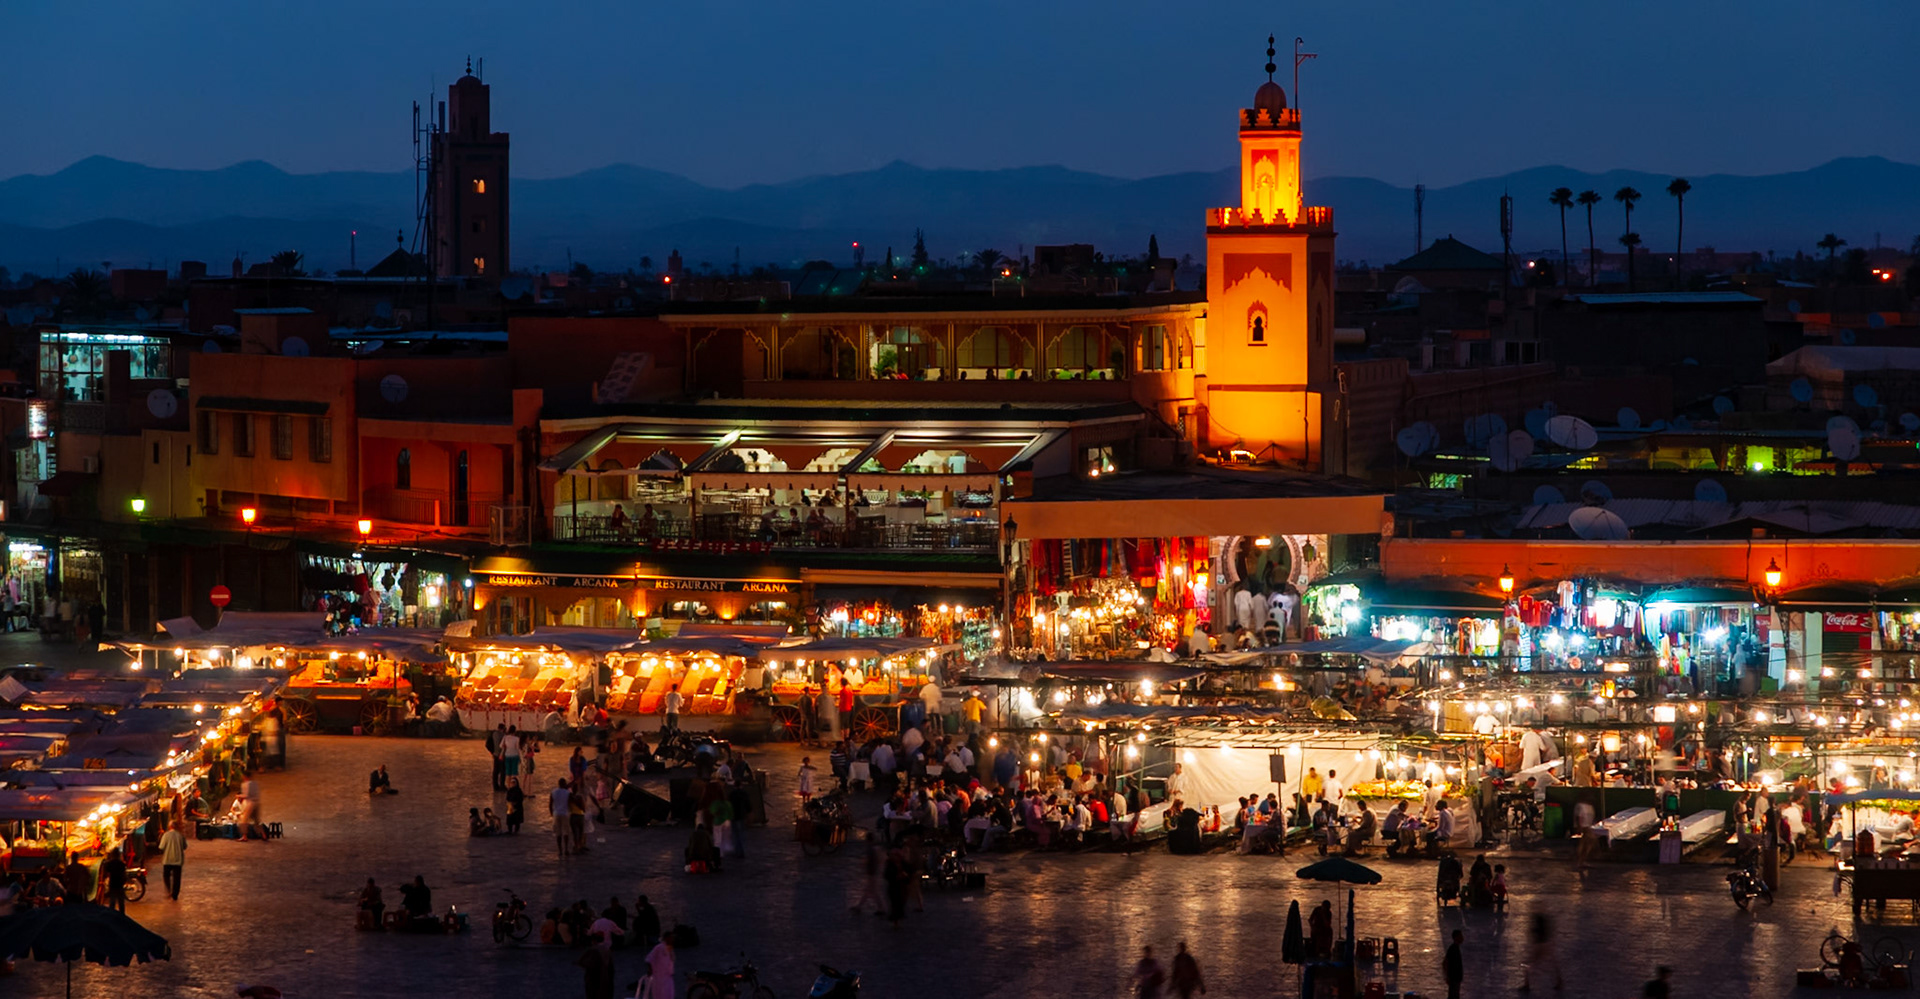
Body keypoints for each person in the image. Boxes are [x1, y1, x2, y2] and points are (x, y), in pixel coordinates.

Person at [640, 930, 676, 999]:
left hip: (667, 977)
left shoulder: (670, 950)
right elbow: (649, 958)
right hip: (658, 978)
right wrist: (650, 969)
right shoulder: (659, 948)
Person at [159, 819, 188, 900]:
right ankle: (175, 895)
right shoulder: (180, 835)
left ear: (170, 827)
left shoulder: (166, 835)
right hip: (178, 860)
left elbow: (161, 847)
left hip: (167, 859)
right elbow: (185, 846)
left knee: (166, 876)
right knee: (177, 878)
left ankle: (169, 890)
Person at [100, 848, 128, 912]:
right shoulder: (121, 864)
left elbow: (106, 871)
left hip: (113, 883)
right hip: (120, 884)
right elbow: (124, 874)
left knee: (112, 901)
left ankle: (112, 915)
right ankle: (122, 916)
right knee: (121, 902)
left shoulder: (110, 863)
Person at [552, 778, 574, 857]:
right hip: (565, 813)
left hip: (556, 813)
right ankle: (566, 849)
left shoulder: (554, 792)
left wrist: (552, 813)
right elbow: (571, 801)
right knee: (566, 832)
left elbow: (550, 803)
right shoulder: (567, 793)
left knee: (558, 833)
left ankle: (560, 850)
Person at [1444, 929, 1465, 999]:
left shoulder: (1456, 948)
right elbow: (1445, 962)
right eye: (1461, 936)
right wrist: (1447, 976)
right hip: (1454, 978)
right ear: (1456, 937)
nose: (1462, 938)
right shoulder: (1453, 949)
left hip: (1456, 978)